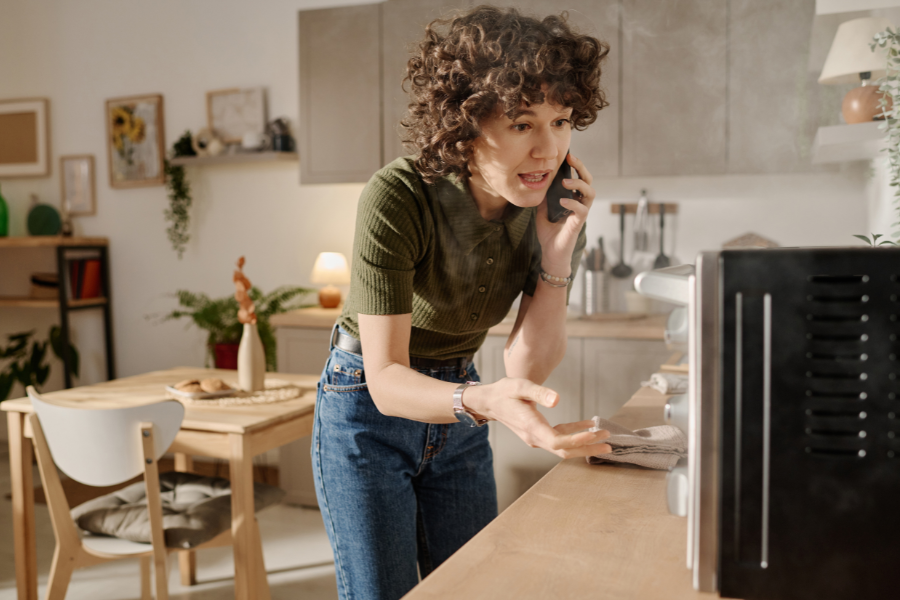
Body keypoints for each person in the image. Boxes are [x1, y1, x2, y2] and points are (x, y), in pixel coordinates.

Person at [311, 6, 612, 600]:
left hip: (462, 402)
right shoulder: (398, 195)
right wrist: (485, 400)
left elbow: (526, 370)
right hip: (367, 408)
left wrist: (556, 256)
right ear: (465, 123)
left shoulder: (547, 214)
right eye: (523, 124)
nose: (548, 149)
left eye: (561, 121)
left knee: (474, 585)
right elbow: (386, 381)